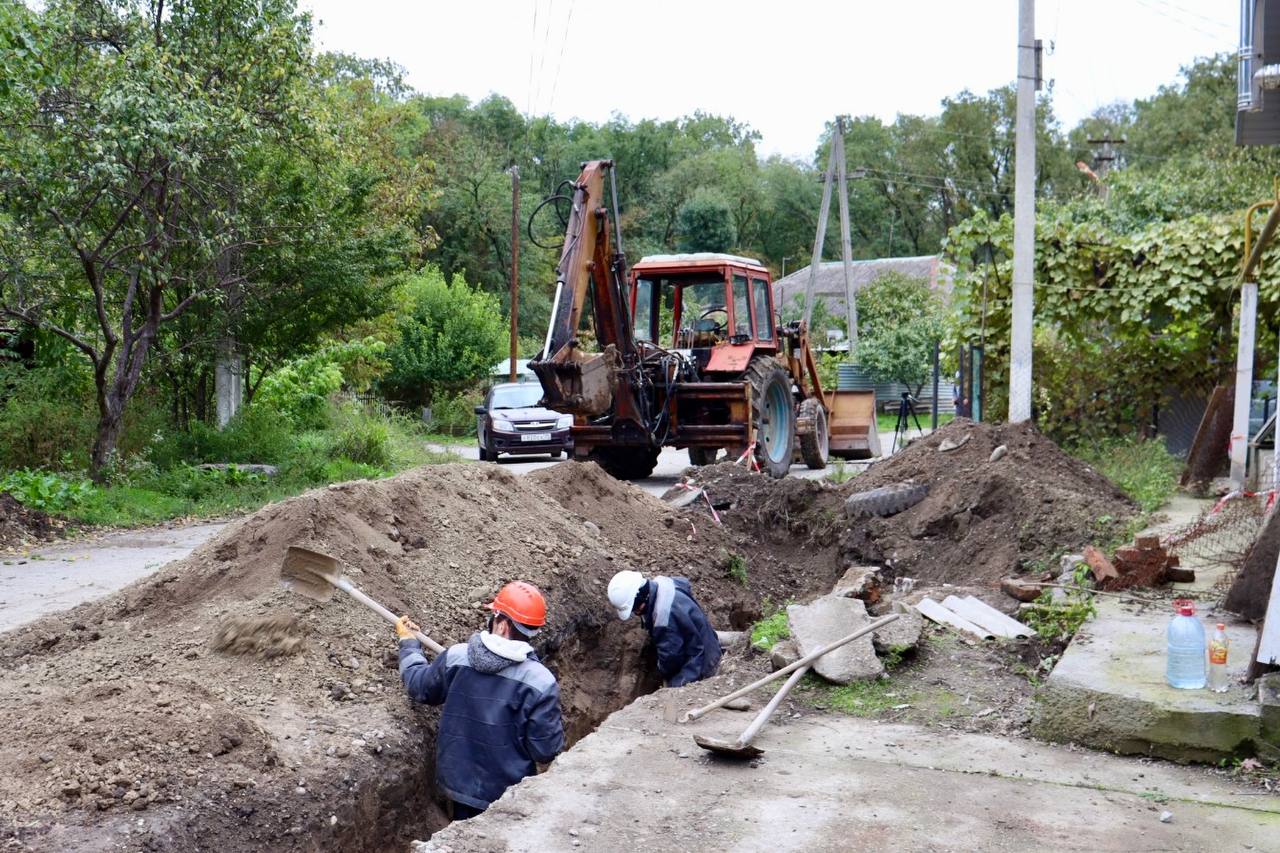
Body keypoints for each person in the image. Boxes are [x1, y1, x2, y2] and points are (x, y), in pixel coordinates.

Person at [395, 581, 564, 821]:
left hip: (457, 785)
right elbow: (545, 751)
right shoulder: (541, 682)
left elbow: (419, 687)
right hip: (508, 796)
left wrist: (409, 644)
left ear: (503, 625)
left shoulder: (457, 656)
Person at [606, 570, 721, 687]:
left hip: (702, 661)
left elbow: (671, 659)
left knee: (672, 693)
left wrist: (662, 671)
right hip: (706, 640)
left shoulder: (664, 619)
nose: (635, 613)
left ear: (640, 596)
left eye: (634, 608)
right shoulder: (662, 583)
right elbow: (684, 583)